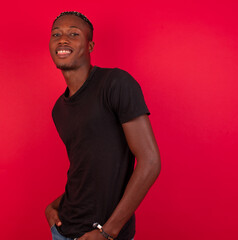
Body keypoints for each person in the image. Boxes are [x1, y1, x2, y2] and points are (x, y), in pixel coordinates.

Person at [45, 11, 161, 240]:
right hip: (63, 228)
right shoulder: (59, 109)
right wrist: (53, 206)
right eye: (56, 34)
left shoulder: (115, 84)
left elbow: (150, 161)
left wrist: (109, 231)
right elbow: (87, 170)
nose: (62, 39)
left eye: (73, 34)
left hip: (101, 234)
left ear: (90, 45)